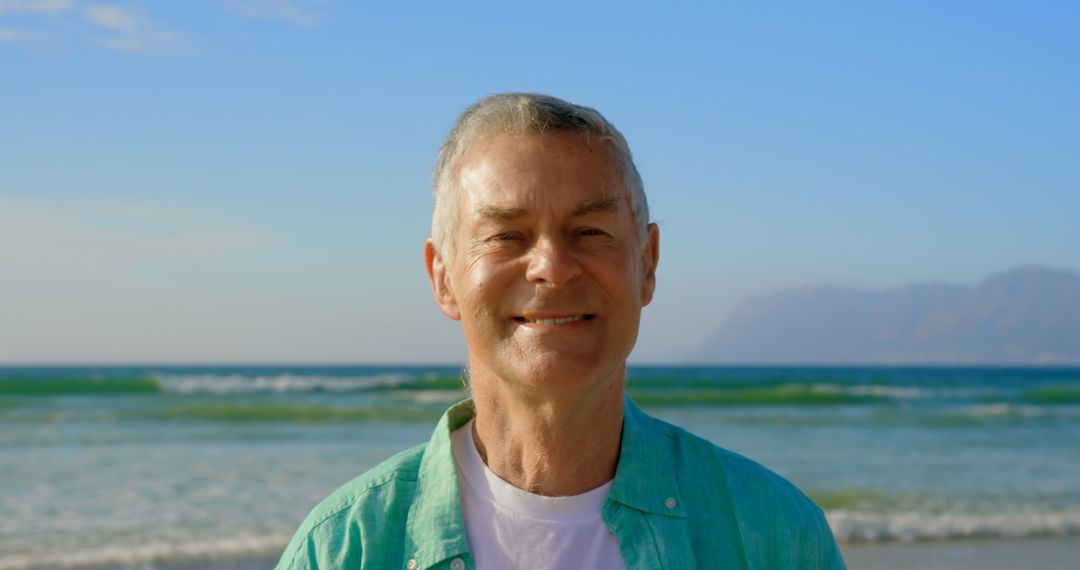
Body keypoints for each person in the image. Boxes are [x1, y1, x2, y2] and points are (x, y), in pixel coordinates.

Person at [275, 93, 845, 570]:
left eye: (590, 230)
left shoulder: (772, 535)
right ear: (443, 277)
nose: (551, 265)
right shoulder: (343, 548)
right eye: (505, 236)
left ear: (646, 264)